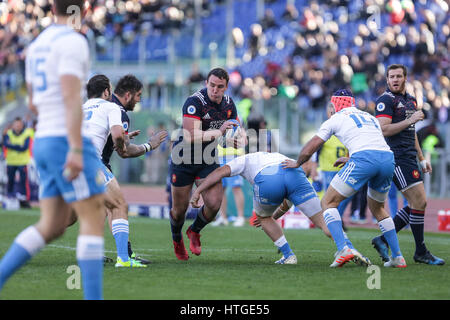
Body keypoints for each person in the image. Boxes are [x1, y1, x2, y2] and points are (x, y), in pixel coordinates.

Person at [0, 0, 106, 299]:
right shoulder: (74, 41)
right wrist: (75, 147)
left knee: (53, 224)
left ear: (51, 9)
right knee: (92, 215)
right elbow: (72, 97)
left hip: (43, 139)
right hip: (65, 139)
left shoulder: (36, 45)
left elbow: (32, 102)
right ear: (83, 11)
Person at [283, 89, 407, 268]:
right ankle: (397, 256)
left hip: (365, 159)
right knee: (378, 208)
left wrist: (297, 163)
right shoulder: (369, 116)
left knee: (327, 202)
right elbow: (373, 142)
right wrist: (352, 158)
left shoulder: (335, 118)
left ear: (334, 105)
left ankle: (343, 249)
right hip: (387, 159)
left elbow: (312, 146)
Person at [189, 151, 370, 266]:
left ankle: (289, 256)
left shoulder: (243, 160)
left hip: (269, 178)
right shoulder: (276, 155)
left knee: (263, 217)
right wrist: (274, 215)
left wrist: (198, 191)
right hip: (294, 173)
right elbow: (287, 200)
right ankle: (348, 249)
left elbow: (218, 173)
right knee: (323, 221)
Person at [81, 74, 167, 267]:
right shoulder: (114, 108)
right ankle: (125, 258)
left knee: (74, 216)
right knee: (118, 205)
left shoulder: (81, 107)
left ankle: (93, 252)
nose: (139, 100)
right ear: (107, 91)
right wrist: (148, 145)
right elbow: (124, 150)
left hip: (69, 162)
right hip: (93, 162)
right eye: (138, 96)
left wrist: (122, 138)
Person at [371, 64, 444, 265]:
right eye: (391, 77)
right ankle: (420, 251)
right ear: (387, 80)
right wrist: (410, 119)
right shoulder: (385, 100)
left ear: (405, 78)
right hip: (395, 157)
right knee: (419, 202)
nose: (394, 80)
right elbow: (384, 130)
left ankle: (383, 239)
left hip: (410, 157)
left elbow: (411, 133)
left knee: (417, 204)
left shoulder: (410, 100)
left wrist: (421, 158)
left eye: (398, 76)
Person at [169, 67, 241, 260]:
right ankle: (177, 239)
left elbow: (236, 127)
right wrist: (221, 133)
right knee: (179, 211)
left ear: (226, 88)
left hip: (207, 158)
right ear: (206, 84)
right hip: (183, 157)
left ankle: (194, 231)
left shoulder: (228, 104)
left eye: (219, 86)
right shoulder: (195, 102)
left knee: (214, 203)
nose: (215, 90)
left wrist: (235, 138)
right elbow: (191, 135)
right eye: (211, 85)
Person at [211, 134, 246, 227]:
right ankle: (223, 217)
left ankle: (240, 217)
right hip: (219, 156)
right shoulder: (218, 120)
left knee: (236, 187)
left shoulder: (236, 119)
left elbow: (244, 138)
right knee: (220, 188)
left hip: (234, 156)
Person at [2, 117, 34, 208]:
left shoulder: (27, 133)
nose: (17, 126)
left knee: (24, 182)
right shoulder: (8, 133)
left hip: (22, 162)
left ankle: (25, 200)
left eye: (19, 124)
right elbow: (6, 144)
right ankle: (9, 198)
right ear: (13, 125)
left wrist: (12, 145)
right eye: (16, 124)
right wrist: (18, 146)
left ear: (22, 125)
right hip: (11, 162)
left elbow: (24, 147)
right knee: (10, 181)